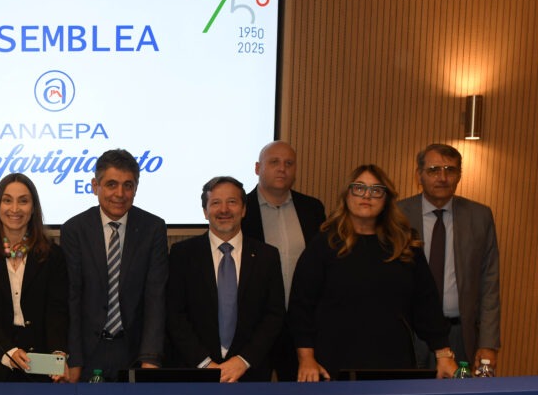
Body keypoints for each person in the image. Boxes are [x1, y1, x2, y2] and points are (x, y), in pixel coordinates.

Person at [288, 164, 456, 381]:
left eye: (376, 190)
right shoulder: (323, 245)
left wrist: (444, 354)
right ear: (347, 195)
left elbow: (426, 304)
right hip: (333, 364)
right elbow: (301, 306)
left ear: (386, 199)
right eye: (359, 188)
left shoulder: (405, 245)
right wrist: (306, 358)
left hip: (394, 363)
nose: (367, 196)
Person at [61, 148, 168, 382]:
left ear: (136, 188)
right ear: (95, 186)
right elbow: (72, 299)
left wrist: (150, 357)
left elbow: (155, 297)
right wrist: (74, 358)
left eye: (128, 185)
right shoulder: (74, 230)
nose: (120, 194)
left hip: (134, 352)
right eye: (111, 184)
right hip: (89, 351)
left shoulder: (153, 229)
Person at [166, 176, 285, 382]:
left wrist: (243, 361)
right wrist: (206, 364)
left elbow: (274, 315)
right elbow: (174, 315)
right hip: (195, 371)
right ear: (205, 211)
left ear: (244, 209)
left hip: (250, 373)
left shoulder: (267, 256)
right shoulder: (182, 254)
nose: (224, 210)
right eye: (215, 203)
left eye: (232, 202)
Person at [397, 144, 501, 373]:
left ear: (459, 176)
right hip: (410, 336)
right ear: (419, 175)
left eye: (450, 170)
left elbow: (489, 283)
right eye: (434, 170)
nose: (442, 178)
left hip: (460, 335)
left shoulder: (479, 216)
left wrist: (488, 343)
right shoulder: (398, 215)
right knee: (407, 394)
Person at [0, 173, 68, 381]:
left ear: (33, 208)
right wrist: (9, 351)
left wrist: (58, 353)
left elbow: (57, 311)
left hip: (40, 364)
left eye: (23, 201)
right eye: (7, 200)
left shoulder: (52, 255)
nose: (15, 209)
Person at [241, 140, 326, 381]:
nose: (282, 169)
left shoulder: (312, 209)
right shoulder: (241, 210)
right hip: (255, 327)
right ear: (258, 168)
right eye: (274, 162)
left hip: (302, 327)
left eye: (289, 163)